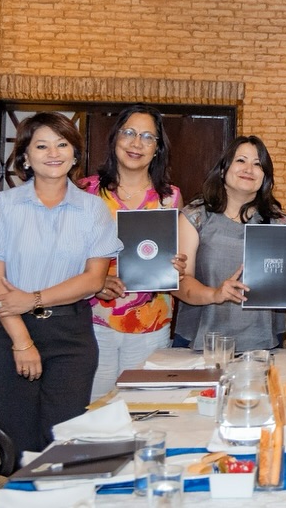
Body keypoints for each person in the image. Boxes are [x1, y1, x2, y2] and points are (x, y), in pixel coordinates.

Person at [0, 113, 121, 454]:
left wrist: (34, 298)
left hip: (71, 336)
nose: (53, 153)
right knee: (16, 440)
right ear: (25, 156)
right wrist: (22, 342)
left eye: (62, 144)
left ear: (75, 155)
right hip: (9, 331)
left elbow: (93, 279)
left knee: (62, 439)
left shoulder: (93, 210)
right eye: (41, 146)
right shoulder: (2, 206)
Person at [174, 135, 286, 351]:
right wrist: (215, 294)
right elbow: (180, 281)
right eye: (241, 160)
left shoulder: (279, 223)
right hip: (201, 341)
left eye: (258, 164)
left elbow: (284, 290)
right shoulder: (195, 216)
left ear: (264, 177)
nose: (249, 169)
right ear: (223, 169)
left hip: (262, 344)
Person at [82, 104, 184, 400]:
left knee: (142, 407)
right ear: (115, 137)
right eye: (128, 133)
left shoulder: (169, 197)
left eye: (147, 137)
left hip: (151, 321)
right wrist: (94, 282)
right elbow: (65, 255)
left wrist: (177, 265)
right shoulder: (86, 191)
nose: (136, 143)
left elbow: (175, 253)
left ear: (157, 148)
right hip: (94, 320)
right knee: (94, 407)